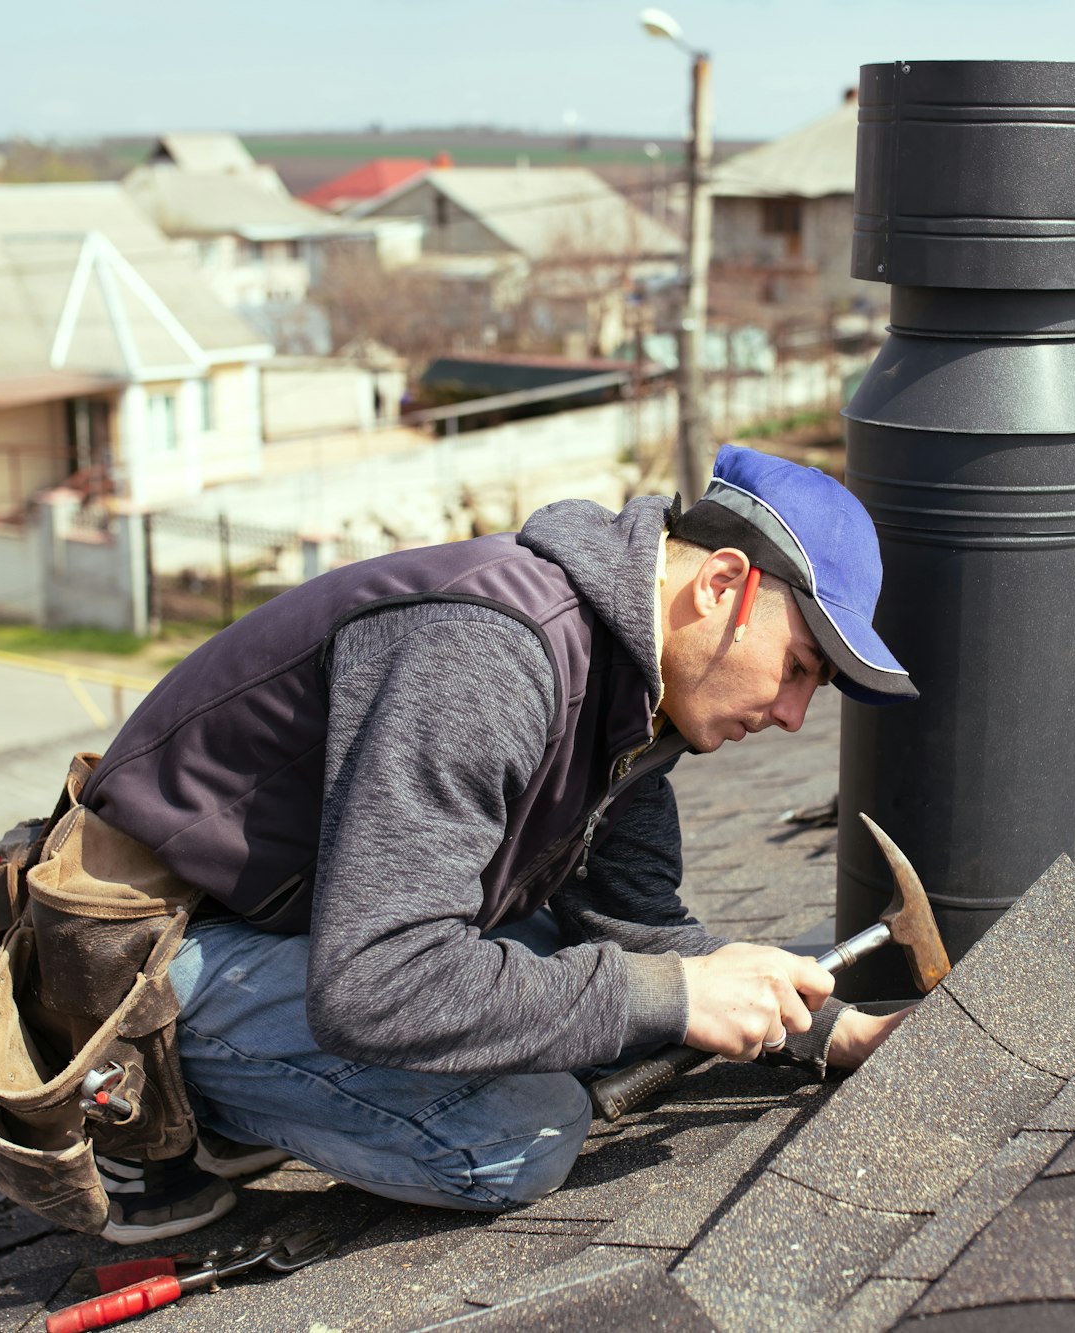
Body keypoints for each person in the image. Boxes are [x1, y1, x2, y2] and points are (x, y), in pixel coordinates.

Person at [77, 445, 918, 1241]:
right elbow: (376, 981)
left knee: (607, 1001)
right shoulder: (490, 653)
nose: (793, 715)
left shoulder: (634, 696)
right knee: (523, 1131)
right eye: (800, 666)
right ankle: (157, 1101)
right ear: (723, 583)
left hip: (305, 930)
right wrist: (670, 995)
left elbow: (632, 933)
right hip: (150, 954)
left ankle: (281, 1086)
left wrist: (832, 1030)